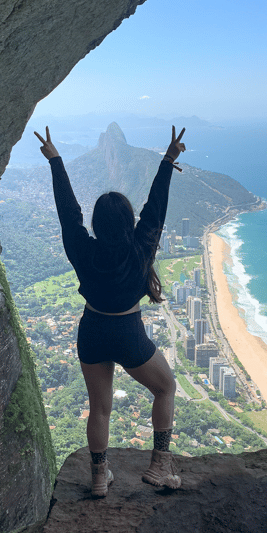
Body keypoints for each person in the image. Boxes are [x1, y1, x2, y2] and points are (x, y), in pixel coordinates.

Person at [35, 125, 186, 497]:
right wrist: (168, 160)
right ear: (129, 223)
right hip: (127, 333)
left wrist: (56, 161)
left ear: (97, 225)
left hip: (92, 330)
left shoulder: (83, 249)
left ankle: (100, 478)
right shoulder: (141, 247)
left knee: (99, 408)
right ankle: (159, 466)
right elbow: (156, 208)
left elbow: (68, 214)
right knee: (166, 387)